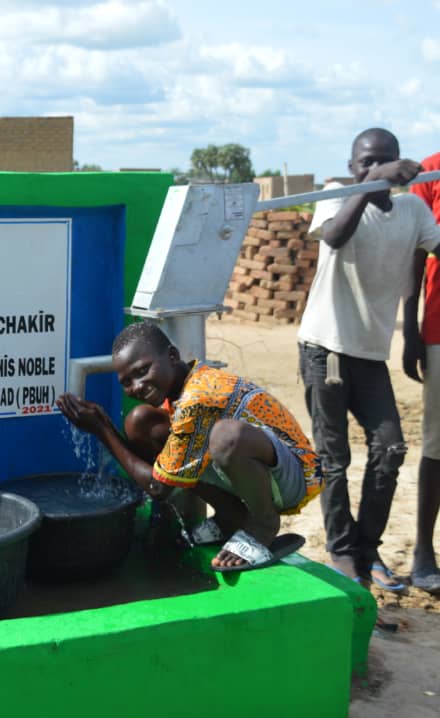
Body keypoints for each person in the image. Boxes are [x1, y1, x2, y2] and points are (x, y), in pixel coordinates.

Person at [56, 322, 321, 572]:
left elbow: (158, 488)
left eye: (143, 370)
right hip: (260, 470)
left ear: (172, 356)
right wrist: (106, 427)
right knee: (142, 423)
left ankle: (263, 524)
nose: (137, 386)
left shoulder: (199, 397)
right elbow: (164, 472)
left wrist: (102, 429)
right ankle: (231, 516)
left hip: (293, 477)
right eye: (127, 382)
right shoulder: (182, 390)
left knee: (225, 437)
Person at [298, 128, 440, 589]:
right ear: (352, 164)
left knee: (390, 449)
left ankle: (367, 548)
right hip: (327, 348)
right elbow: (335, 238)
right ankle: (342, 553)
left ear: (400, 164)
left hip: (370, 354)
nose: (370, 169)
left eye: (381, 162)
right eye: (364, 162)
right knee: (334, 457)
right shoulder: (337, 196)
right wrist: (369, 184)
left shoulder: (413, 210)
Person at [404, 150, 440, 594]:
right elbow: (414, 255)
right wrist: (410, 327)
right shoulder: (432, 171)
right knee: (437, 444)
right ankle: (423, 550)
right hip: (439, 326)